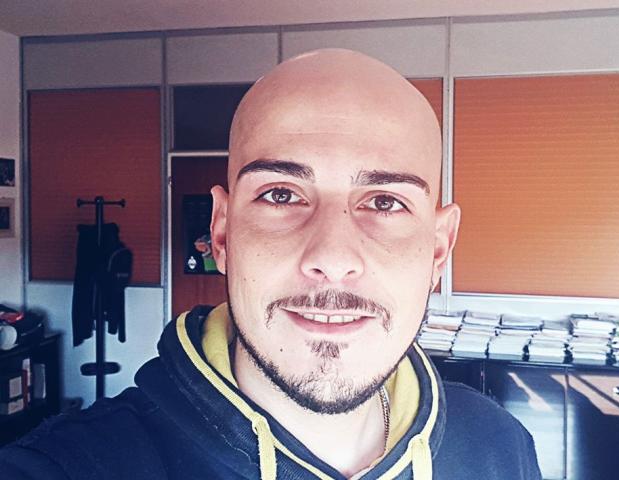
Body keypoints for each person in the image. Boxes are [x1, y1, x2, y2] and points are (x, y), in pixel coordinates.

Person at [0, 49, 541, 479]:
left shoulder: (500, 447)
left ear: (439, 249)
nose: (332, 259)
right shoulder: (66, 468)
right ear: (221, 232)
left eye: (384, 202)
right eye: (281, 195)